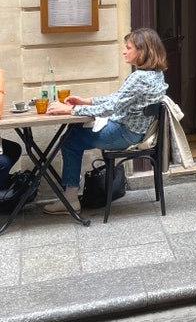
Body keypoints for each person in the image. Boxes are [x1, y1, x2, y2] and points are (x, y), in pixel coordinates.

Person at [43, 27, 169, 214]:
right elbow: (118, 98)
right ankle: (70, 195)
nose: (124, 51)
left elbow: (111, 107)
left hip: (124, 134)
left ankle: (70, 199)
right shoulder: (156, 75)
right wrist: (88, 101)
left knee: (70, 141)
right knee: (74, 135)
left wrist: (71, 109)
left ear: (143, 51)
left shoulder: (139, 78)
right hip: (135, 133)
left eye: (129, 47)